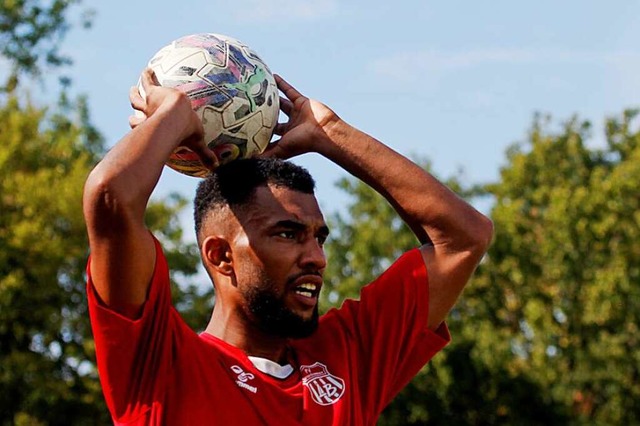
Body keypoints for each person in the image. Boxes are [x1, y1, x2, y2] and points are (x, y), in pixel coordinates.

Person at [83, 68, 493, 425]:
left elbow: (463, 237)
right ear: (221, 256)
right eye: (287, 234)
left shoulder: (347, 359)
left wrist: (330, 133)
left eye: (319, 237)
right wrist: (174, 114)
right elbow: (110, 198)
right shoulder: (160, 364)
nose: (316, 257)